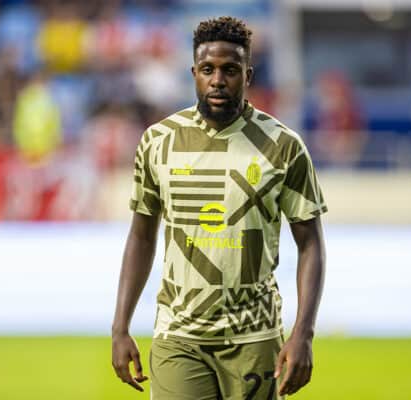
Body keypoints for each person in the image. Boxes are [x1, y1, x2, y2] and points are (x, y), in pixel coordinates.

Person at [111, 16, 327, 399]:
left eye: (230, 70)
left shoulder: (283, 146)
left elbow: (311, 243)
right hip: (178, 334)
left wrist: (303, 334)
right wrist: (120, 326)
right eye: (208, 69)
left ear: (248, 74)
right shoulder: (159, 142)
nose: (217, 80)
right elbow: (141, 235)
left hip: (255, 338)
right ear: (194, 72)